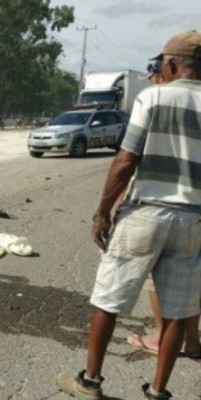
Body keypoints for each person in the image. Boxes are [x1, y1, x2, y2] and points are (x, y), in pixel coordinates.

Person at [56, 30, 201, 400]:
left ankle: (90, 382)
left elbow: (125, 160)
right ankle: (157, 390)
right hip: (192, 221)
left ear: (170, 65)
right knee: (177, 312)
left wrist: (102, 212)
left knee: (110, 300)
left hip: (145, 214)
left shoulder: (152, 96)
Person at [125, 55, 201, 360]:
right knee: (194, 275)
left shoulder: (156, 102)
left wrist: (108, 211)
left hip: (165, 209)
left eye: (155, 76)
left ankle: (159, 336)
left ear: (166, 70)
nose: (154, 82)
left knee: (159, 277)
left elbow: (128, 160)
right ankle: (192, 340)